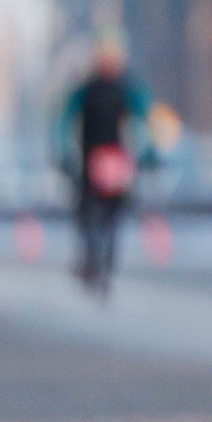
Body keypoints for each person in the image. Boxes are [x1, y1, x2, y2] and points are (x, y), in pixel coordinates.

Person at [58, 43, 153, 298]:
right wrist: (149, 153)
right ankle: (101, 261)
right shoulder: (123, 89)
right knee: (111, 213)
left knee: (89, 211)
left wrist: (64, 154)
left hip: (96, 161)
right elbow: (145, 120)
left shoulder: (88, 90)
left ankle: (94, 259)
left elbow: (64, 123)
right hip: (108, 161)